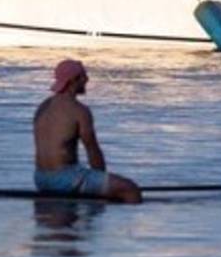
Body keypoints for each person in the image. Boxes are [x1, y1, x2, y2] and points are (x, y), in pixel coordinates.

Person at [32, 59, 142, 203]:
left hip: (40, 178)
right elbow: (92, 151)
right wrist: (102, 183)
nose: (87, 80)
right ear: (74, 80)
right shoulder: (79, 111)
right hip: (64, 179)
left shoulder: (43, 106)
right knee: (130, 189)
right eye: (84, 76)